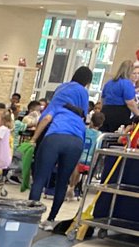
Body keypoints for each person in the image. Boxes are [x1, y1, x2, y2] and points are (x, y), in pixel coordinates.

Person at [30, 65, 93, 230]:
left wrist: (34, 139)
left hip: (54, 137)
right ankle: (51, 220)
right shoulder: (80, 114)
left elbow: (45, 119)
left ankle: (30, 218)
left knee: (40, 179)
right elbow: (84, 124)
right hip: (76, 142)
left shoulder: (59, 100)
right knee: (62, 182)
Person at [69, 109, 106, 197]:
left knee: (76, 166)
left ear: (91, 121)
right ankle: (76, 187)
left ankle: (71, 186)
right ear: (101, 124)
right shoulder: (100, 135)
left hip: (78, 157)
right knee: (81, 167)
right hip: (90, 161)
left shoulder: (84, 131)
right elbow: (98, 149)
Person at [99, 59, 139, 132]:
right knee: (116, 138)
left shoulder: (109, 83)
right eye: (134, 73)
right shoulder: (127, 83)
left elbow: (102, 99)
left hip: (105, 112)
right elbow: (130, 103)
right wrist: (138, 113)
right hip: (119, 114)